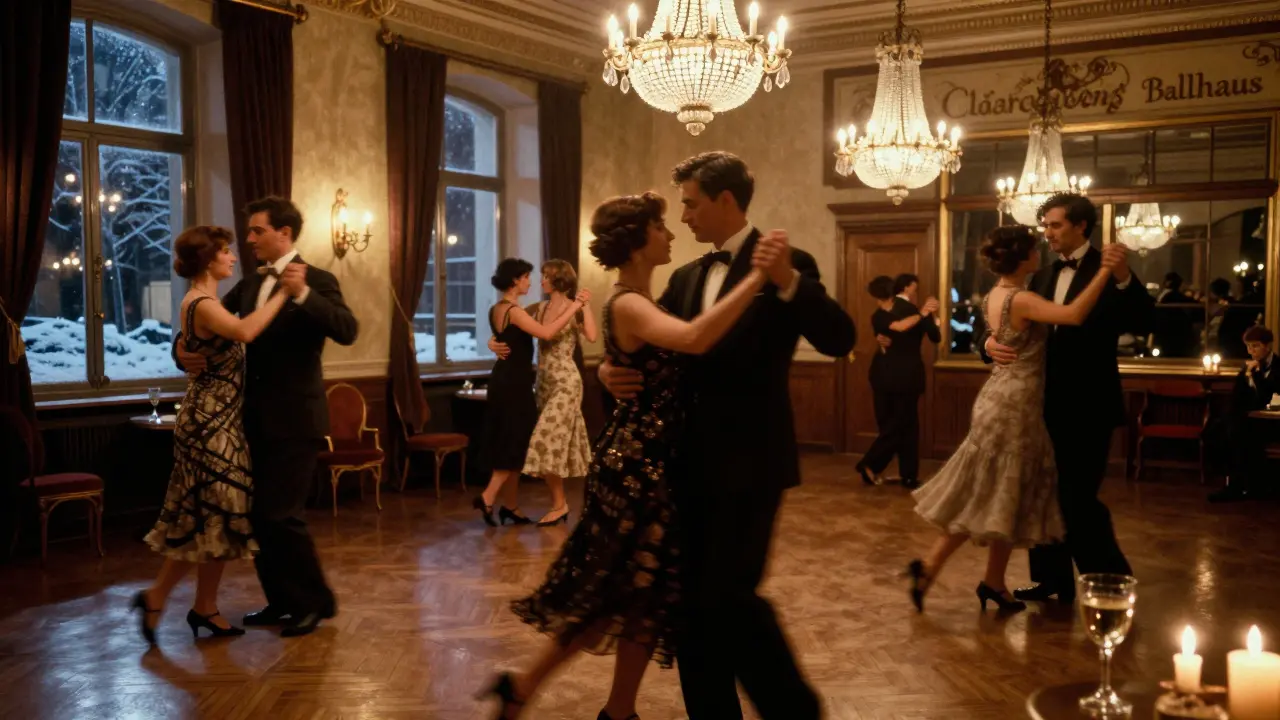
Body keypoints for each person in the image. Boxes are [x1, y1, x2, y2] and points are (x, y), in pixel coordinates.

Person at [479, 191, 784, 720]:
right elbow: (693, 338)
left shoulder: (646, 298)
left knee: (643, 591)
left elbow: (650, 357)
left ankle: (615, 709)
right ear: (640, 239)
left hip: (655, 459)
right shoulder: (628, 302)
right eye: (661, 227)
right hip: (636, 465)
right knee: (616, 588)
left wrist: (604, 369)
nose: (670, 234)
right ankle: (529, 687)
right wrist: (755, 279)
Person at [599, 152, 857, 720]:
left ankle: (795, 709)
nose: (684, 216)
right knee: (689, 606)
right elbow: (649, 348)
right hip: (682, 465)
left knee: (729, 596)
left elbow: (840, 338)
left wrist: (787, 279)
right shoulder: (686, 278)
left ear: (725, 200)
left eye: (690, 203)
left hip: (752, 462)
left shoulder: (790, 263)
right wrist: (605, 372)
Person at [906, 225, 1122, 613]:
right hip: (1013, 407)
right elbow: (1073, 315)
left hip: (1002, 399)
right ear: (1023, 258)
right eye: (1034, 249)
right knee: (989, 493)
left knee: (1005, 494)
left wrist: (990, 342)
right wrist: (1104, 271)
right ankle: (930, 566)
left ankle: (993, 582)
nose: (1041, 252)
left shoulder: (997, 293)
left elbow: (1000, 336)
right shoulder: (1021, 298)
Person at [174, 197, 358, 637]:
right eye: (250, 232)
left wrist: (304, 295)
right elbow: (207, 323)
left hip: (297, 418)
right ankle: (280, 601)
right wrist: (181, 353)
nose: (250, 239)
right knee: (258, 516)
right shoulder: (251, 282)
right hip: (249, 419)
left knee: (282, 514)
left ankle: (315, 603)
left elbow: (347, 330)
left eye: (257, 231)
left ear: (285, 234)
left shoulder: (319, 279)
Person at [984, 193, 1153, 605]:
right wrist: (988, 343)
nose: (1047, 233)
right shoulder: (1039, 275)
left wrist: (1125, 276)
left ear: (1081, 226)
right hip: (1038, 403)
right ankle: (1050, 578)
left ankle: (1111, 580)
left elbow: (1144, 320)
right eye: (1045, 226)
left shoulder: (1110, 269)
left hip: (1089, 404)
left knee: (1077, 497)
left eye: (1055, 225)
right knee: (1042, 490)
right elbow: (1008, 321)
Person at [133, 225, 292, 646]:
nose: (233, 257)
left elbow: (204, 344)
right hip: (209, 426)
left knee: (212, 520)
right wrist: (283, 294)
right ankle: (161, 596)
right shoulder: (200, 302)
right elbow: (244, 332)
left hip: (220, 422)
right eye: (225, 252)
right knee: (214, 515)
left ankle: (200, 605)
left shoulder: (205, 302)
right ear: (207, 260)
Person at [471, 259, 588, 527]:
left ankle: (511, 506)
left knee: (515, 443)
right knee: (515, 442)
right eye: (525, 277)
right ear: (514, 281)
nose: (530, 282)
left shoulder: (497, 309)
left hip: (505, 380)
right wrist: (576, 307)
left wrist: (492, 342)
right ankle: (489, 497)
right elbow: (546, 333)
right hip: (514, 384)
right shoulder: (515, 311)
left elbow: (504, 337)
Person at [521, 260, 598, 526]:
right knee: (554, 447)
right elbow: (510, 321)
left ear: (558, 280)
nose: (541, 281)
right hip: (543, 382)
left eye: (545, 276)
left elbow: (591, 335)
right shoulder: (539, 308)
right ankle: (559, 505)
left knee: (545, 437)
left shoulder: (575, 307)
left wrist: (584, 304)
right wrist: (492, 341)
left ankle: (577, 504)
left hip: (567, 382)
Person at [859, 273, 940, 489]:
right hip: (906, 376)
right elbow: (934, 336)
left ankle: (894, 471)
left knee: (895, 424)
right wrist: (928, 314)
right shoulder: (913, 312)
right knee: (904, 425)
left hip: (883, 375)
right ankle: (893, 471)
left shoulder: (878, 315)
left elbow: (887, 337)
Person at [1208, 325, 1278, 502]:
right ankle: (1236, 485)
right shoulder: (1247, 367)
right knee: (1222, 430)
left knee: (1236, 433)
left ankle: (1242, 486)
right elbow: (1236, 397)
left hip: (1271, 422)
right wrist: (1247, 376)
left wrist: (1256, 378)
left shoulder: (1279, 367)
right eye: (1248, 346)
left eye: (1255, 346)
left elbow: (1269, 396)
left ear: (1268, 346)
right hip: (1248, 419)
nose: (1251, 351)